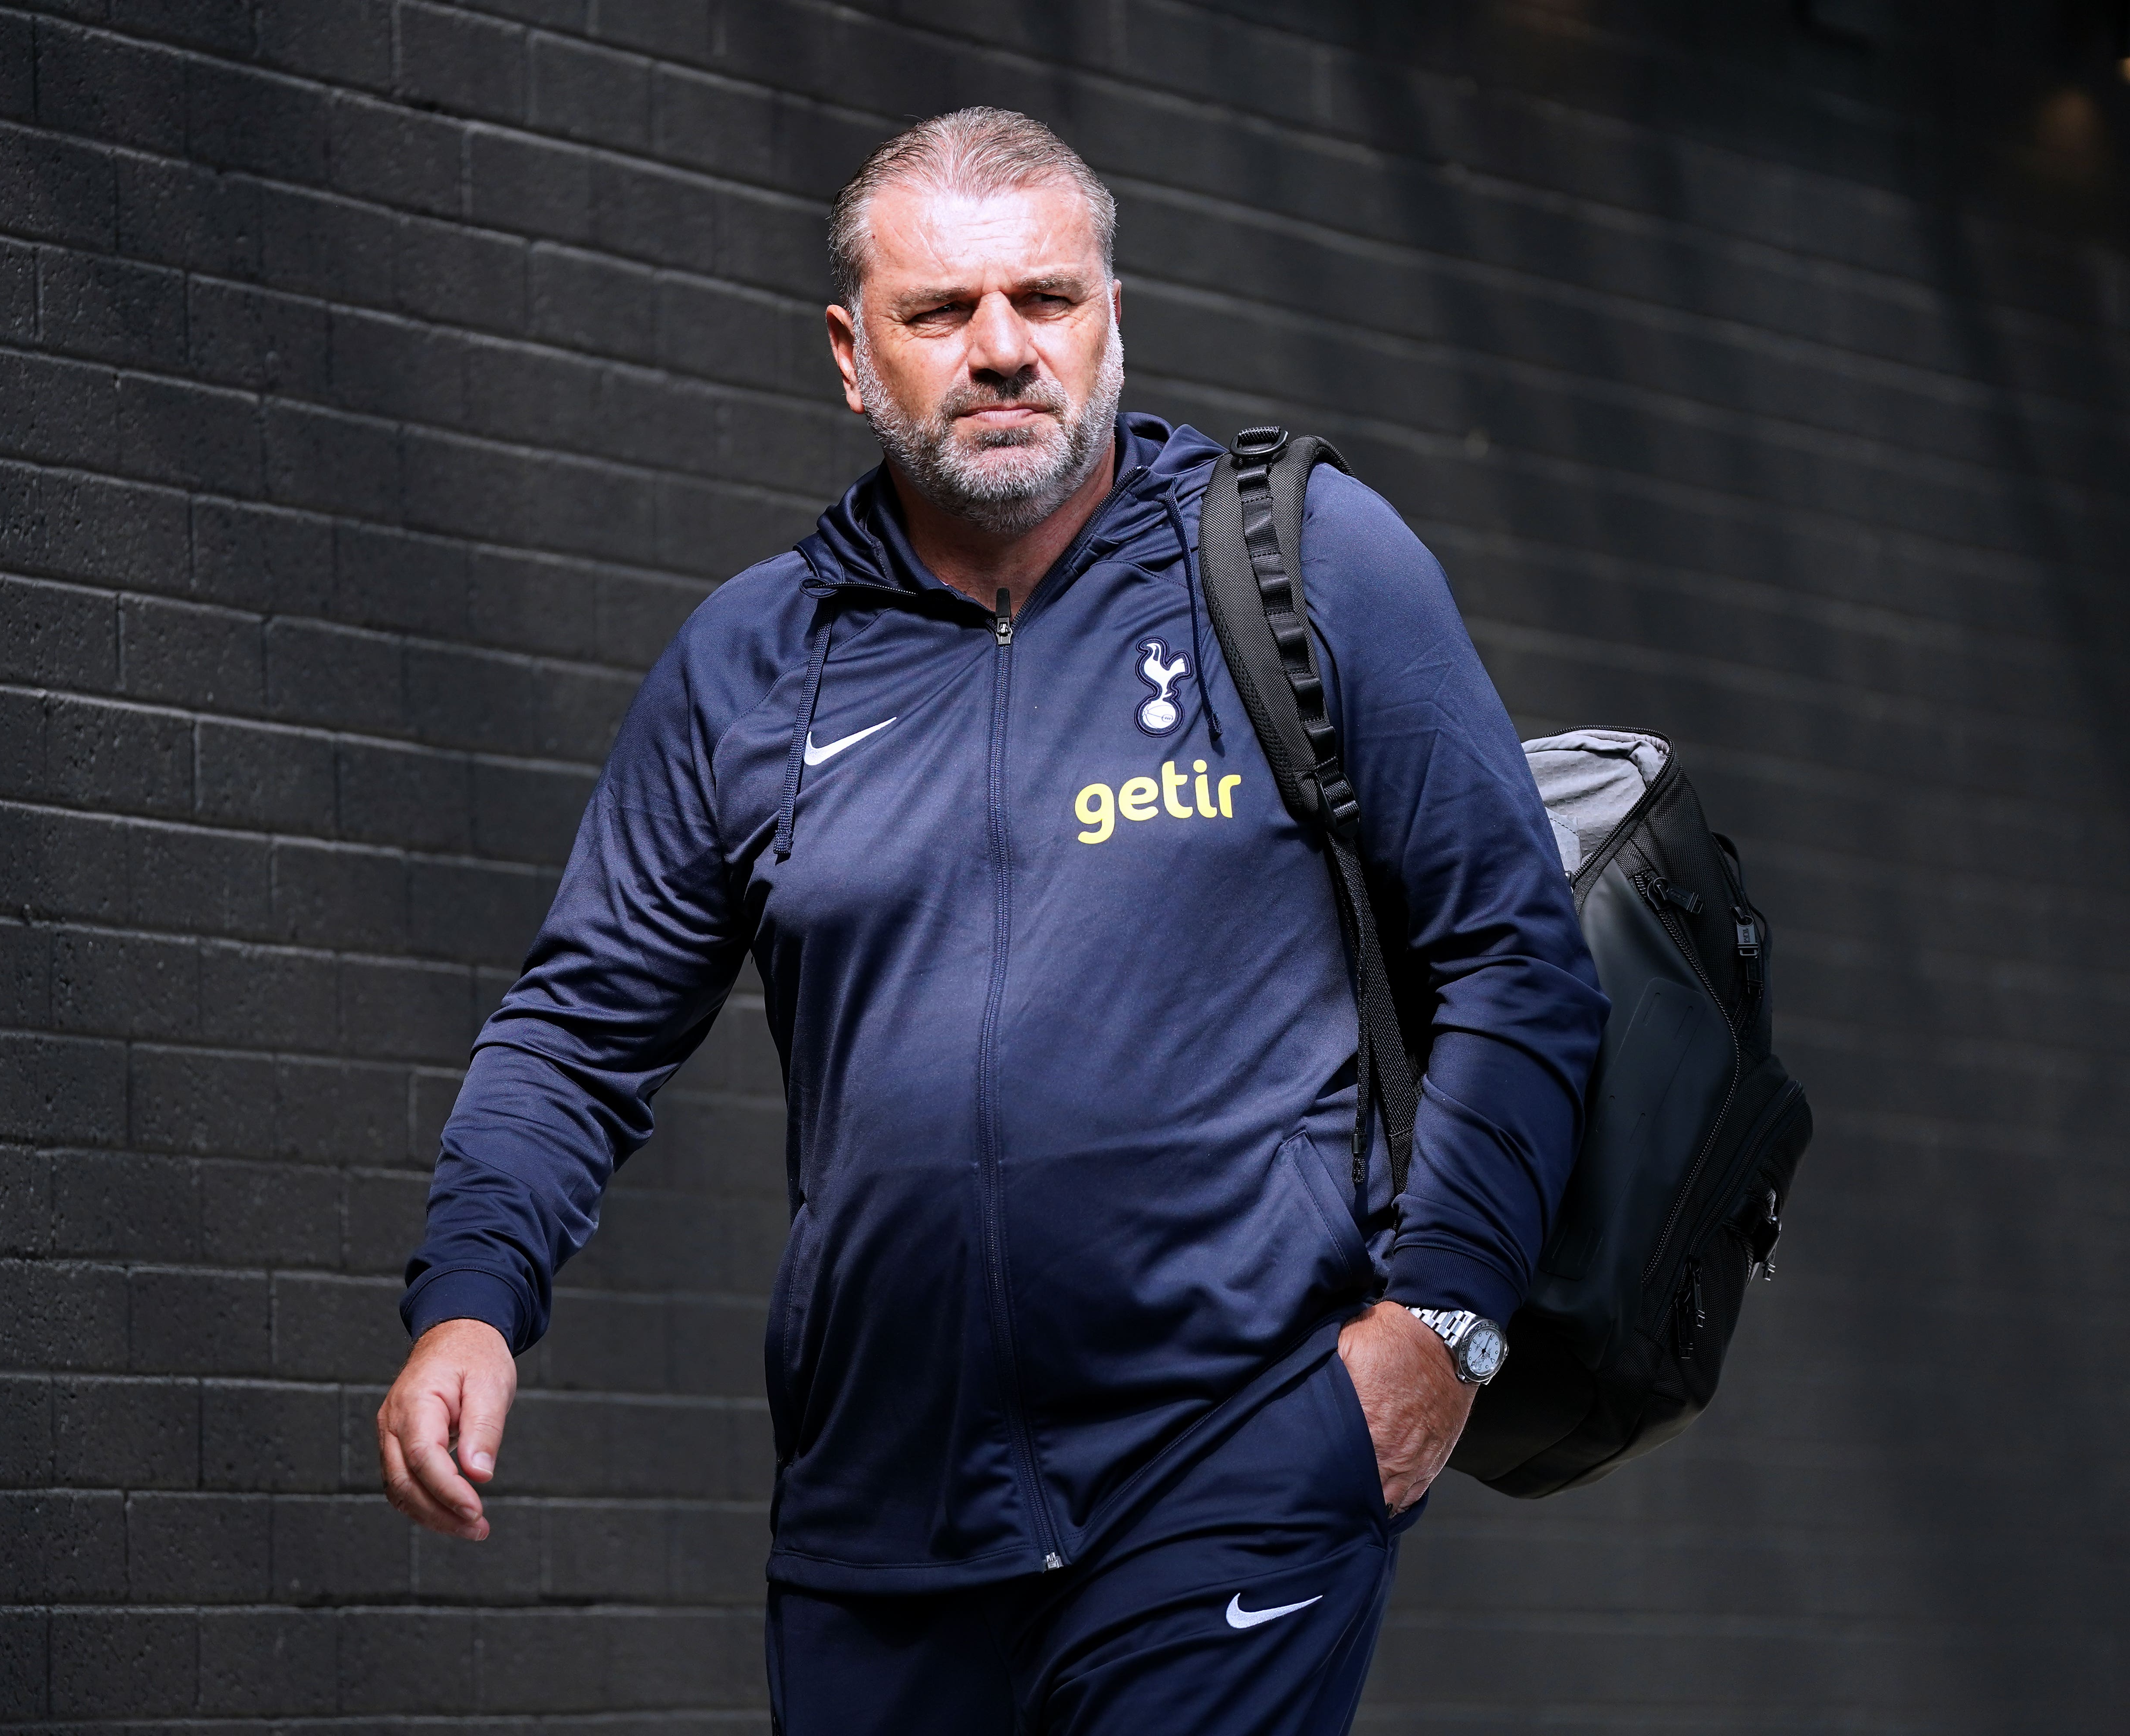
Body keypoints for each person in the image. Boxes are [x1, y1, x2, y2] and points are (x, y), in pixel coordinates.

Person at [378, 108, 1606, 1734]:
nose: (1004, 350)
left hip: (1235, 1456)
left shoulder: (1304, 568)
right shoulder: (755, 664)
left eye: (1047, 299)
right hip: (880, 1516)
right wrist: (470, 1295)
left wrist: (1437, 1335)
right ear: (850, 351)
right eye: (942, 313)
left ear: (1114, 315)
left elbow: (1517, 957)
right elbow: (578, 1030)